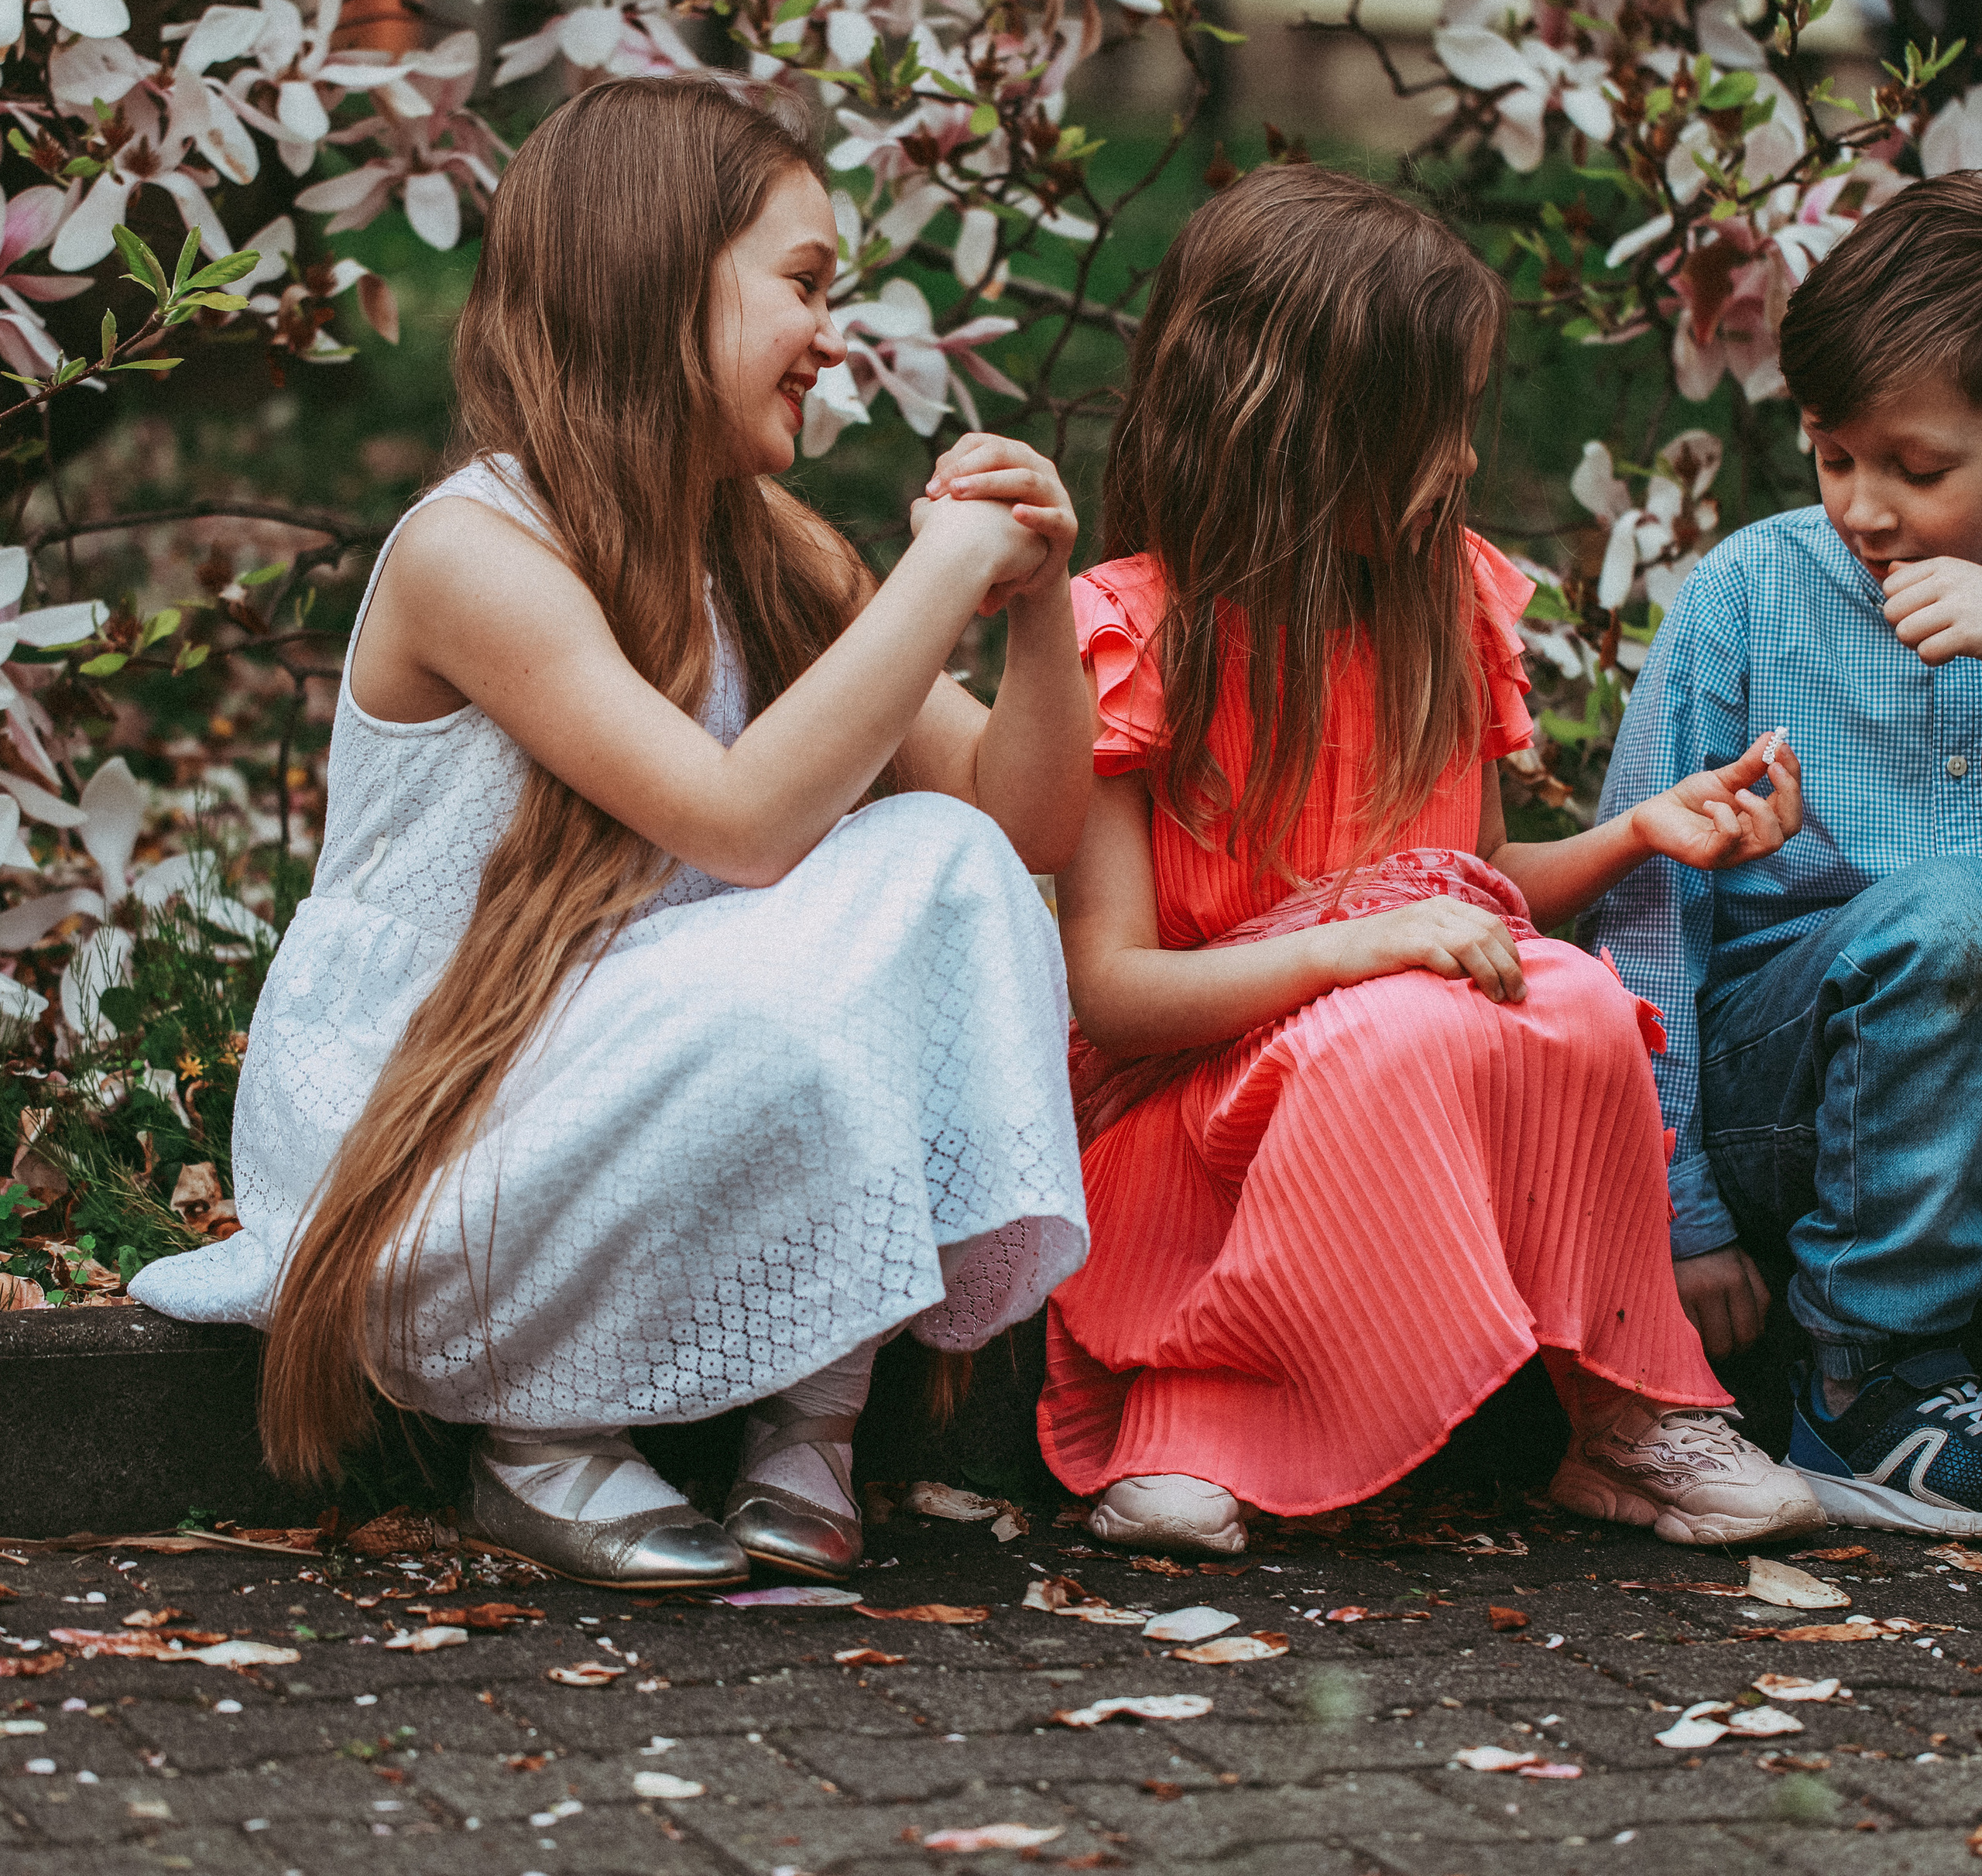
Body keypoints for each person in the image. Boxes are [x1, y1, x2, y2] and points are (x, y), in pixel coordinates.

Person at [129, 76, 1092, 1589]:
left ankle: (807, 1428)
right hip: (439, 1148)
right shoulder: (476, 550)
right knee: (851, 900)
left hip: (633, 1094)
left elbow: (1021, 820)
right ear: (655, 279)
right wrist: (941, 571)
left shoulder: (776, 555)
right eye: (803, 283)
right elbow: (741, 821)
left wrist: (1033, 607)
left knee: (948, 864)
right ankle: (541, 1433)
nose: (834, 336)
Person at [1037, 164, 1822, 1558]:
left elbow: (1472, 888)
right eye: (1434, 422)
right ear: (1304, 432)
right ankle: (1199, 1414)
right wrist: (1366, 954)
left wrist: (1641, 833)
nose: (1463, 456)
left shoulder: (1442, 604)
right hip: (1195, 1117)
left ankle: (1627, 1411)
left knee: (1572, 997)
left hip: (1394, 1053)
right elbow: (1113, 995)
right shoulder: (1129, 635)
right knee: (1396, 1025)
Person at [1587, 171, 1982, 1535]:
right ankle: (1865, 1389)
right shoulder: (1753, 596)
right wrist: (1678, 1212)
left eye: (1918, 471)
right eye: (1832, 456)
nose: (1864, 508)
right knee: (1952, 914)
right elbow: (1642, 915)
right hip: (1786, 1095)